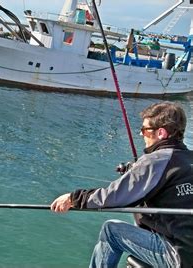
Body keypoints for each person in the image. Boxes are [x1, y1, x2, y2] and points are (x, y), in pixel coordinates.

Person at [50, 101, 193, 268]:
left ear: (160, 132)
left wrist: (73, 198)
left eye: (144, 130)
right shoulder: (188, 159)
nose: (141, 134)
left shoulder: (156, 160)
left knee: (112, 231)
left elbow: (113, 196)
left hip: (179, 257)